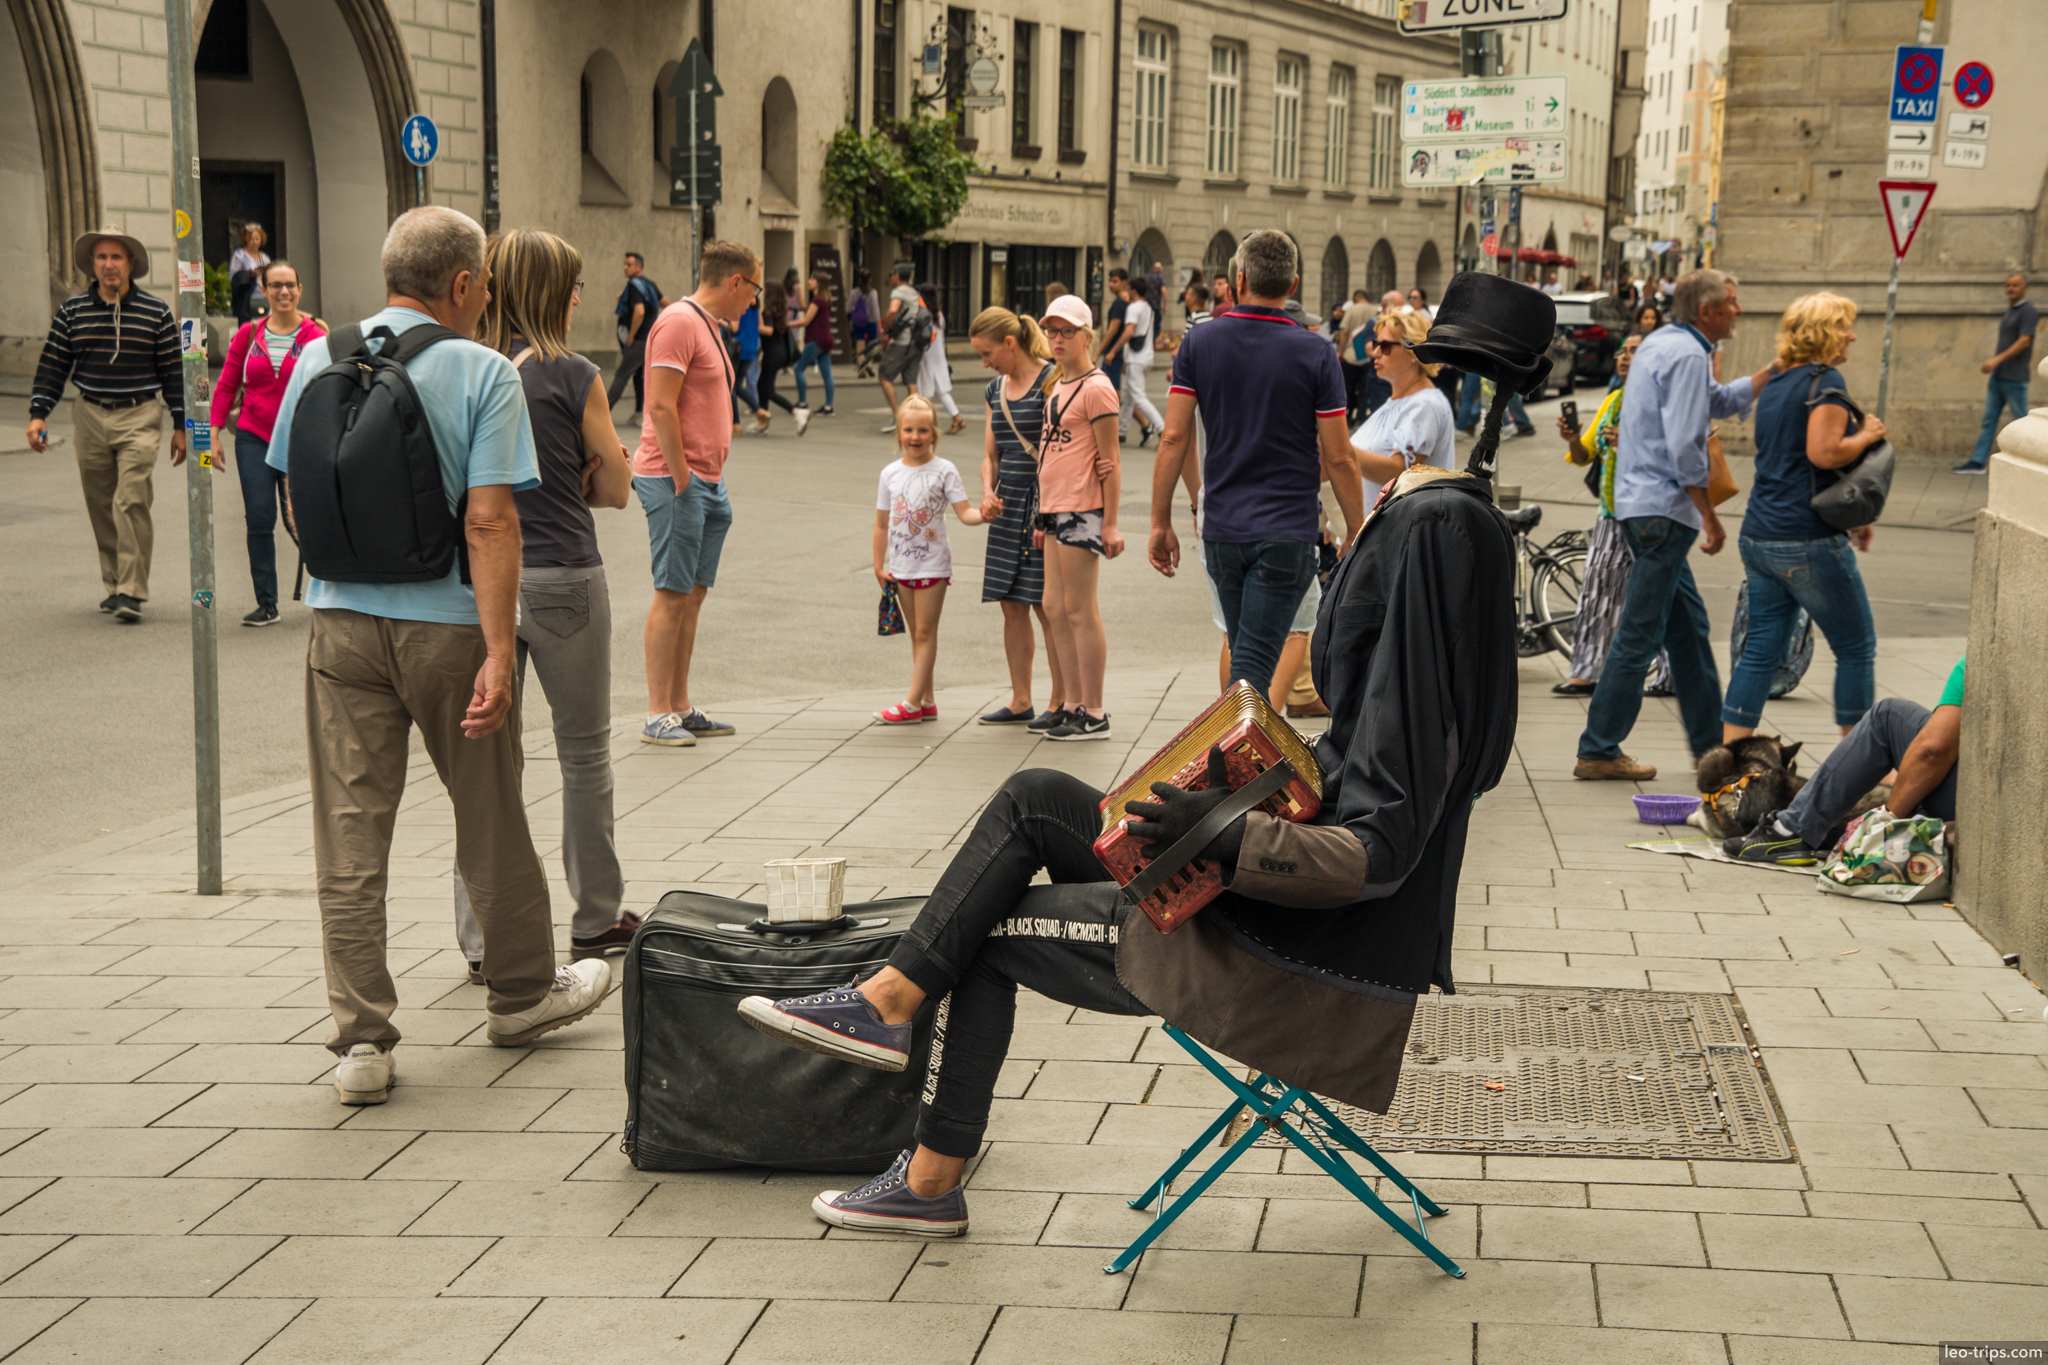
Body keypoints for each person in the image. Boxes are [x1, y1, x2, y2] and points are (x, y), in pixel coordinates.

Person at [735, 417, 1518, 1241]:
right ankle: (887, 999)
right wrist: (1228, 791)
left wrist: (1223, 834)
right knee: (1035, 795)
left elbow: (1373, 856)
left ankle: (928, 1179)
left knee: (985, 930)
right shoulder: (1421, 702)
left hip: (1265, 951)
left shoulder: (1416, 713)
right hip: (1239, 900)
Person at [264, 206, 612, 1105]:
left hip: (339, 625)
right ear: (462, 284)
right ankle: (522, 996)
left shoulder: (317, 354)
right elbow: (491, 521)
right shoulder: (483, 370)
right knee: (489, 809)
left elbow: (296, 493)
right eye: (484, 283)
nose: (487, 296)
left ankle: (361, 1042)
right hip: (448, 629)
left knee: (349, 830)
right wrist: (499, 650)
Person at [446, 227, 638, 980]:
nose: (581, 296)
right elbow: (615, 488)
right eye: (575, 284)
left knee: (487, 765)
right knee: (584, 753)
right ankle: (596, 918)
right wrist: (587, 471)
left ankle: (482, 940)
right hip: (563, 575)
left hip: (478, 582)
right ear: (553, 291)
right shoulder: (573, 373)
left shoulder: (463, 367)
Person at [1574, 268, 1774, 781]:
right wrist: (1709, 515)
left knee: (1688, 632)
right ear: (1707, 311)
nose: (1738, 309)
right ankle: (1598, 748)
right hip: (1663, 512)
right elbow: (1686, 445)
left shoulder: (1665, 343)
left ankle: (1712, 750)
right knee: (1640, 633)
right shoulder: (1687, 355)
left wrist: (1771, 372)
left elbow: (1718, 401)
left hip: (1642, 507)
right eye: (1732, 302)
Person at [1150, 228, 1365, 701]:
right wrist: (1356, 528)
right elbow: (1340, 456)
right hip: (1286, 532)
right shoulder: (1316, 352)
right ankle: (1233, 749)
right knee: (1251, 673)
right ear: (1293, 285)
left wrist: (1160, 521)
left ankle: (1238, 746)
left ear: (1239, 280)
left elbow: (1173, 437)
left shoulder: (1199, 342)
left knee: (1246, 662)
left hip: (1222, 532)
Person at [1724, 292, 1885, 742]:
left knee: (1760, 651)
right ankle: (1862, 761)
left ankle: (1730, 758)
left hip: (1759, 533)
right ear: (1827, 332)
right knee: (1856, 648)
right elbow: (1824, 453)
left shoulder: (1778, 382)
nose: (1852, 335)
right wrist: (1867, 434)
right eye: (1846, 326)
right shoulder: (1826, 382)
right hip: (1806, 537)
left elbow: (1796, 459)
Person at [26, 226, 185, 624]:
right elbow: (53, 364)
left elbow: (173, 371)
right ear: (92, 264)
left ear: (130, 263)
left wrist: (181, 424)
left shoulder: (156, 312)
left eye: (116, 257)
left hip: (139, 413)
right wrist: (38, 414)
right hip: (90, 413)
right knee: (100, 505)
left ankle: (132, 591)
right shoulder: (72, 311)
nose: (109, 265)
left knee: (130, 499)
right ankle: (115, 586)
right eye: (101, 257)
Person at [636, 239, 759, 747]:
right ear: (735, 282)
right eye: (753, 289)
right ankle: (656, 713)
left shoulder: (707, 325)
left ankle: (680, 706)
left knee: (692, 595)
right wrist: (682, 474)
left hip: (707, 480)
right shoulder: (679, 322)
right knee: (672, 594)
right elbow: (660, 406)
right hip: (677, 479)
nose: (753, 300)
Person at [1728, 658, 1964, 866]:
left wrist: (1885, 826)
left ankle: (1791, 830)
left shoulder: (1975, 661)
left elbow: (1932, 751)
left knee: (1887, 716)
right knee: (1854, 648)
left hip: (1967, 804)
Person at [1553, 334, 1674, 697]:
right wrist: (1573, 439)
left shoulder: (1664, 403)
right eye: (1623, 350)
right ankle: (1587, 672)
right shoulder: (1614, 400)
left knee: (1661, 596)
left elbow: (1677, 457)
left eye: (1634, 351)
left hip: (1651, 515)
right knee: (1596, 592)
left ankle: (1674, 674)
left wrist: (1631, 444)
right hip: (1611, 513)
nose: (1624, 357)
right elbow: (1584, 455)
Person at [208, 259, 327, 626]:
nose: (283, 291)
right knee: (259, 517)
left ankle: (335, 589)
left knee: (302, 521)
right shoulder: (249, 334)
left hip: (299, 440)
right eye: (275, 285)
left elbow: (331, 388)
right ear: (264, 290)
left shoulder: (316, 337)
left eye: (290, 285)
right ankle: (267, 603)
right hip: (254, 436)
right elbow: (227, 384)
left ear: (300, 290)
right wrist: (212, 433)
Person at [1028, 293, 1125, 740]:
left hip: (1082, 506)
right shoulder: (1057, 383)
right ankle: (1070, 703)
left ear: (1087, 336)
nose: (1058, 339)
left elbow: (1111, 459)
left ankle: (1095, 711)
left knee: (1080, 609)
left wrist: (1110, 522)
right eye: (1052, 331)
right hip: (1053, 506)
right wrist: (1039, 515)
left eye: (1068, 331)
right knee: (1053, 607)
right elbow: (1050, 453)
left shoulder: (1097, 388)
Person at [968, 307, 1065, 726]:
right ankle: (1020, 698)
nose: (984, 363)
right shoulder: (995, 389)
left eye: (987, 353)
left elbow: (1058, 453)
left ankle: (1060, 701)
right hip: (1007, 504)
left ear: (1010, 343)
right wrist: (987, 492)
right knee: (1011, 604)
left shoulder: (1052, 381)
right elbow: (991, 455)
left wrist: (1045, 513)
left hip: (1042, 504)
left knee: (1046, 606)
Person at [872, 395, 989, 724]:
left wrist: (985, 514)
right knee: (917, 635)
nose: (915, 437)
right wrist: (878, 565)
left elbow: (965, 513)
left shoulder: (944, 470)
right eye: (908, 430)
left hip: (932, 566)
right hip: (901, 567)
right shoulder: (889, 473)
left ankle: (911, 705)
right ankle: (927, 700)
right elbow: (881, 523)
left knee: (925, 633)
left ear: (934, 433)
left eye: (923, 430)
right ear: (899, 432)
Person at [1350, 308, 1456, 506]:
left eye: (1385, 346)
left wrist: (1342, 449)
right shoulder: (1397, 402)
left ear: (1413, 353)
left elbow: (1399, 473)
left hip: (1396, 525)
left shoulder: (1424, 404)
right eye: (1376, 344)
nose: (1375, 352)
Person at [1958, 273, 2036, 474]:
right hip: (1998, 377)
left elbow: (2024, 341)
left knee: (2023, 422)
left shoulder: (2027, 311)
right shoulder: (2011, 311)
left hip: (2015, 378)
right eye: (2008, 285)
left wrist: (1996, 360)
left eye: (2015, 285)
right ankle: (1977, 462)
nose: (2011, 289)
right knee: (1989, 420)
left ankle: (2034, 461)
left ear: (2024, 288)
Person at [608, 251, 663, 423]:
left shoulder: (634, 286)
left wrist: (631, 336)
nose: (625, 267)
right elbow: (666, 303)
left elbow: (639, 312)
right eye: (624, 264)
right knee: (639, 375)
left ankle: (602, 412)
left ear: (639, 267)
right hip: (649, 339)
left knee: (621, 375)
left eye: (629, 265)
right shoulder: (649, 285)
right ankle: (639, 413)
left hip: (639, 340)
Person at [1111, 271, 1163, 446]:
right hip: (1146, 356)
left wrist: (1113, 351)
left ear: (1133, 290)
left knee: (1139, 397)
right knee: (1127, 396)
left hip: (1137, 358)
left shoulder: (1133, 308)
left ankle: (1162, 428)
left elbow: (1129, 332)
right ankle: (1121, 431)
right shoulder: (1148, 308)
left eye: (1129, 288)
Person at [1094, 269, 1142, 443]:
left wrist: (1098, 352)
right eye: (1110, 281)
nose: (1110, 284)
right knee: (1117, 394)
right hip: (1118, 354)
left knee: (1112, 394)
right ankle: (1144, 426)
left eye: (1114, 281)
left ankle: (1114, 430)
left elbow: (1113, 330)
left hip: (1112, 355)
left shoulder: (1119, 304)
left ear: (1124, 282)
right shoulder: (1125, 303)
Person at [750, 279, 804, 435]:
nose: (763, 291)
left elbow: (769, 330)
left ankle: (797, 412)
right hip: (779, 352)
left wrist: (756, 325)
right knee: (762, 386)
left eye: (765, 289)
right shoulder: (780, 309)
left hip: (773, 354)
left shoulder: (768, 312)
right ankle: (762, 423)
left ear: (770, 293)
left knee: (767, 390)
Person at [876, 261, 924, 432]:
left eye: (892, 275)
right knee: (911, 381)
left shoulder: (898, 292)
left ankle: (897, 416)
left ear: (897, 276)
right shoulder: (914, 292)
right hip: (917, 343)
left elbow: (892, 310)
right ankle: (917, 419)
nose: (891, 278)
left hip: (902, 342)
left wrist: (885, 331)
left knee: (884, 375)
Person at [915, 283, 966, 434]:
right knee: (940, 391)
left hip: (926, 356)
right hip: (938, 355)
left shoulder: (923, 314)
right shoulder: (938, 314)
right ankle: (957, 419)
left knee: (924, 391)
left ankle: (926, 424)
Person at [792, 272, 836, 416]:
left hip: (816, 340)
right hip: (827, 340)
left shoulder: (817, 300)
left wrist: (786, 324)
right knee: (827, 374)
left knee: (799, 369)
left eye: (812, 279)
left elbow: (806, 321)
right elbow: (809, 311)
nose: (809, 281)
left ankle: (802, 403)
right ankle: (829, 407)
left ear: (819, 283)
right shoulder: (825, 300)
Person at [1336, 289, 1378, 425]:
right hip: (1369, 355)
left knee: (1348, 387)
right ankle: (1361, 416)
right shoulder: (1375, 310)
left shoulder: (1351, 310)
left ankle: (1347, 416)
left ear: (1355, 298)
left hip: (1351, 355)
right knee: (1365, 388)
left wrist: (1340, 351)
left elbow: (1345, 331)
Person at [229, 223, 272, 324]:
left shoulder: (265, 257)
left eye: (257, 239)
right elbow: (233, 277)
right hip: (247, 299)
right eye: (252, 239)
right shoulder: (239, 255)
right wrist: (250, 275)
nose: (255, 242)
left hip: (264, 297)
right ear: (245, 239)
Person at [849, 269, 880, 378]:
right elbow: (875, 310)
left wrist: (856, 312)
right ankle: (869, 365)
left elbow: (848, 308)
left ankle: (861, 370)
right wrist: (879, 324)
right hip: (871, 322)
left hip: (858, 322)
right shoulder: (873, 293)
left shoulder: (854, 292)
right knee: (873, 345)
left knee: (860, 346)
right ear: (870, 279)